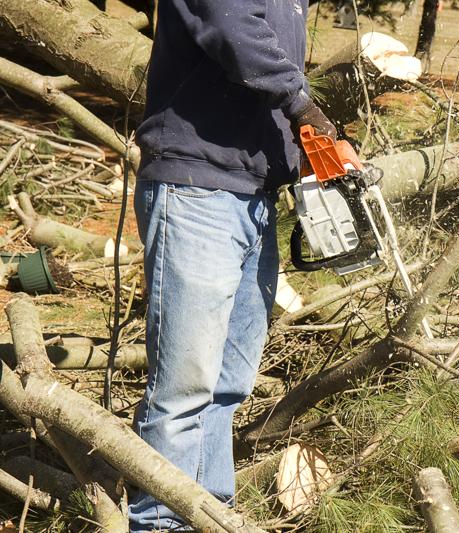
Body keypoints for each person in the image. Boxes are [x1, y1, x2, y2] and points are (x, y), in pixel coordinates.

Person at [128, 1, 335, 530]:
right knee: (184, 388)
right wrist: (301, 104)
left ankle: (208, 514)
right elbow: (232, 28)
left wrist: (308, 151)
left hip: (254, 194)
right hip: (196, 186)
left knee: (228, 384)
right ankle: (160, 523)